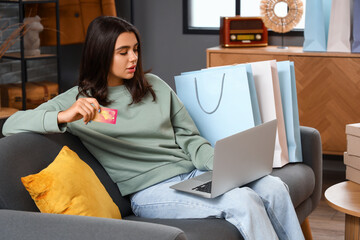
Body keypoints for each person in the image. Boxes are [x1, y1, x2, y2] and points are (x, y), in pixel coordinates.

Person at [2, 16, 304, 240]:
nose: (133, 58)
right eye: (123, 52)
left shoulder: (154, 86)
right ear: (101, 53)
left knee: (274, 187)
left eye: (135, 49)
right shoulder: (80, 101)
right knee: (243, 201)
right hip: (150, 192)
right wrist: (64, 116)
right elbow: (12, 124)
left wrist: (224, 168)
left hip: (193, 175)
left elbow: (189, 138)